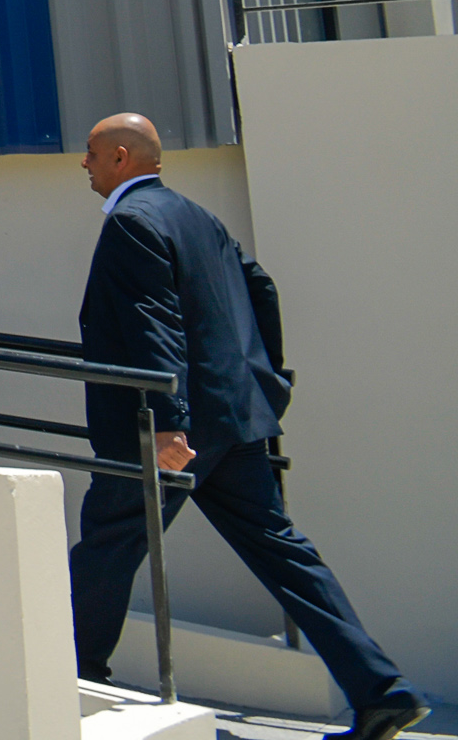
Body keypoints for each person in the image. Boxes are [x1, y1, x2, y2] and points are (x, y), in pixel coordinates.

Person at [70, 113, 426, 740]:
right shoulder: (197, 218)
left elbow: (154, 322)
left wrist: (169, 424)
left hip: (168, 433)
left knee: (107, 543)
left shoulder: (131, 223)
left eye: (92, 154)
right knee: (283, 554)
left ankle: (72, 681)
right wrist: (265, 385)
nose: (84, 165)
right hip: (234, 424)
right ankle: (381, 689)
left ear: (121, 158)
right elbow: (260, 288)